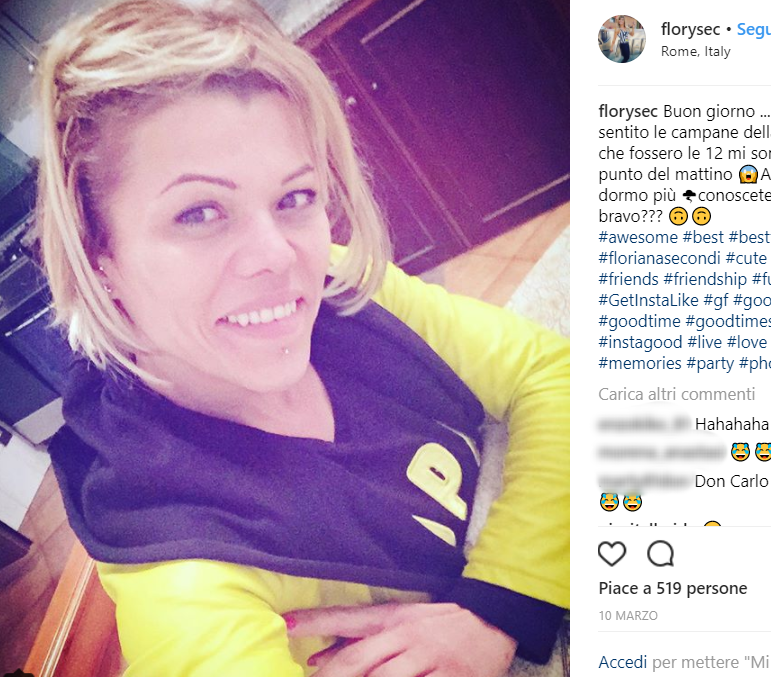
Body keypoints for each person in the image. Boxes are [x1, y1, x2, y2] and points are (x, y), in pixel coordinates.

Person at [36, 1, 569, 675]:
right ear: (98, 257)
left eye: (294, 198)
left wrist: (501, 605)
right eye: (199, 213)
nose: (278, 257)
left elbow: (554, 374)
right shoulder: (182, 571)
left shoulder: (341, 284)